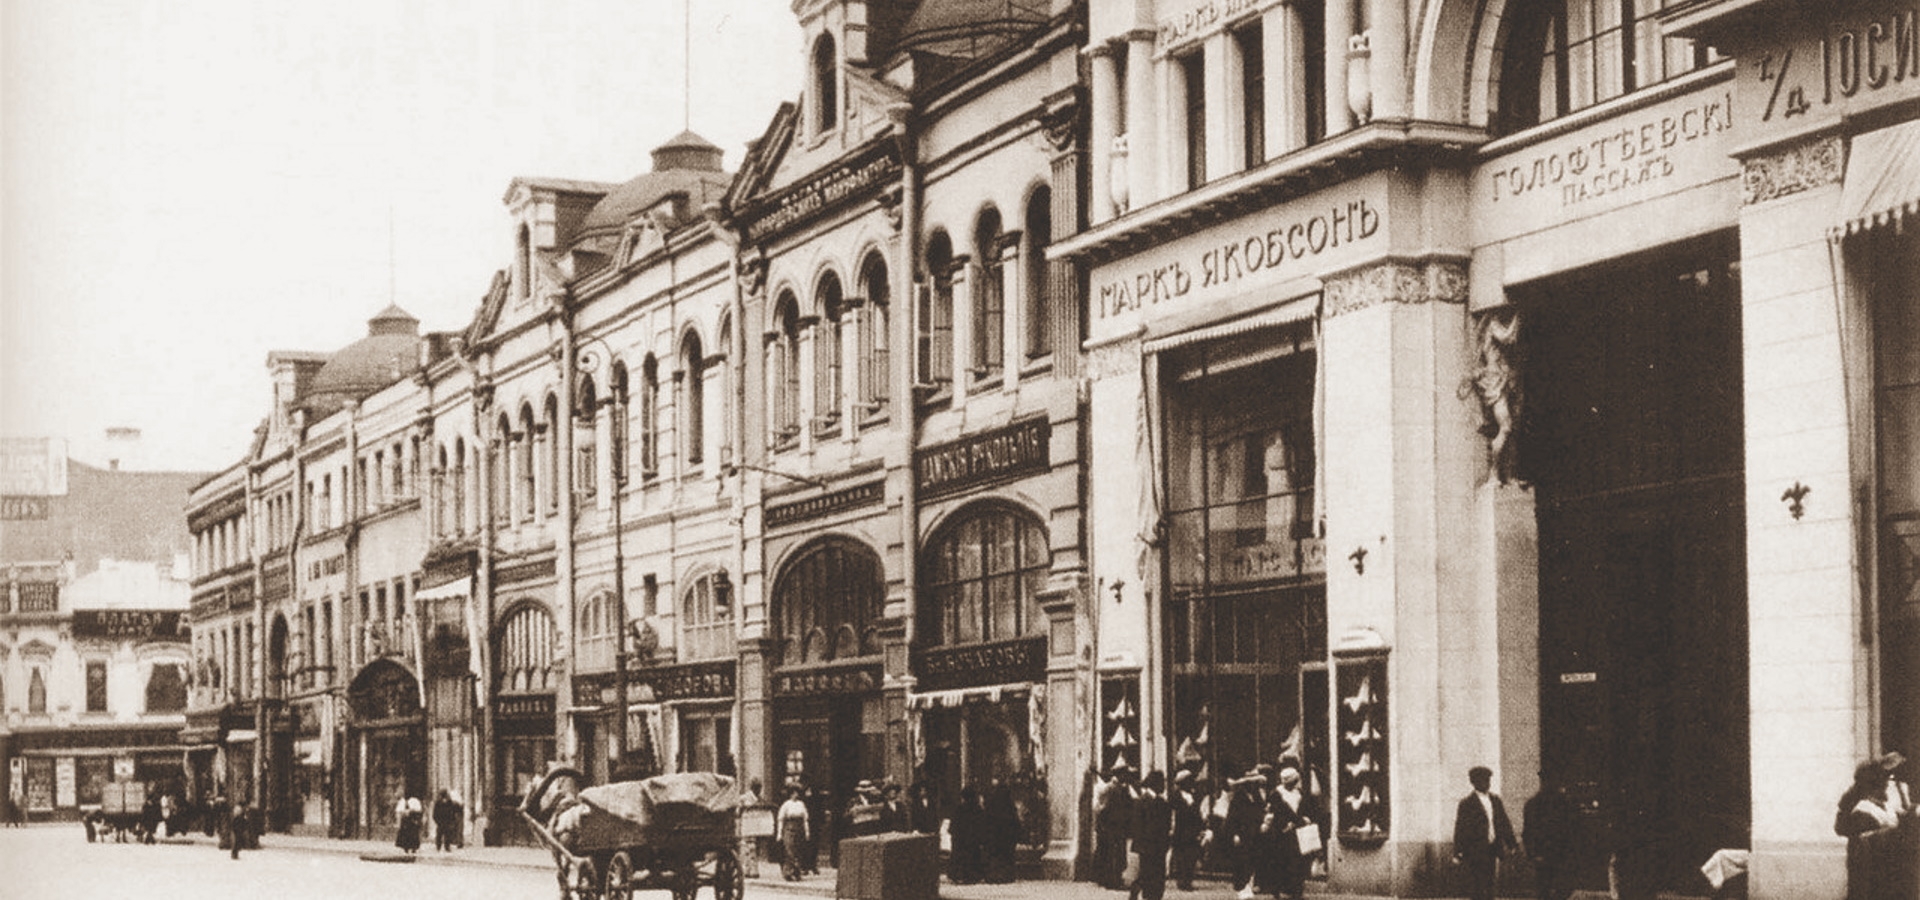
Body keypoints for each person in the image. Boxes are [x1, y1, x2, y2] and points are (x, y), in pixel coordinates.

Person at [1836, 754, 1911, 900]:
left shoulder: (1886, 806)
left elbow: (1902, 817)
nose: (1888, 784)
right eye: (1884, 781)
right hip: (1871, 876)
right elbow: (1867, 844)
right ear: (1872, 785)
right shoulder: (1863, 810)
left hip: (1889, 872)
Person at [1452, 766, 1518, 900]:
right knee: (1477, 886)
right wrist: (1458, 851)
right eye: (1482, 780)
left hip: (1492, 849)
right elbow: (1460, 829)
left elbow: (1504, 823)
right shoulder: (1467, 804)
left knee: (1489, 884)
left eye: (1488, 780)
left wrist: (1512, 844)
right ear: (1474, 782)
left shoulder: (1495, 800)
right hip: (1475, 850)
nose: (1486, 783)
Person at [1264, 766, 1317, 900]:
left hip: (1297, 831)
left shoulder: (1299, 793)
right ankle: (1278, 889)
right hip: (1281, 832)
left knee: (1298, 860)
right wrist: (1287, 824)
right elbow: (1275, 812)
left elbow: (1305, 809)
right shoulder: (1276, 794)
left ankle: (1296, 889)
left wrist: (1305, 818)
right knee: (1281, 860)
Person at [1523, 773, 1579, 900]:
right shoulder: (1533, 804)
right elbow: (1528, 832)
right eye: (1547, 781)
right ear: (1542, 782)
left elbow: (1572, 830)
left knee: (1564, 888)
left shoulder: (1565, 803)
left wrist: (1572, 853)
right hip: (1542, 856)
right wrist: (1532, 854)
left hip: (1562, 855)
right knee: (1544, 890)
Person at [1093, 764, 1138, 890]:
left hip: (1118, 827)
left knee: (1117, 854)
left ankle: (1114, 878)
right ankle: (1112, 880)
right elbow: (1102, 808)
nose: (1127, 777)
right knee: (1112, 854)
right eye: (1125, 774)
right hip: (1111, 828)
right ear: (1119, 775)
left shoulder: (1120, 788)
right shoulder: (1111, 788)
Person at [1130, 770, 1173, 900]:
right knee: (1148, 876)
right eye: (1162, 782)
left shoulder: (1163, 803)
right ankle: (1139, 894)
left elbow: (1166, 825)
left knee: (1158, 878)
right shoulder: (1142, 802)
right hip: (1147, 848)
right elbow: (1137, 826)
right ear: (1155, 784)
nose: (1164, 785)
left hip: (1159, 848)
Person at [1168, 770, 1204, 892]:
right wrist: (1172, 829)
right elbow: (1172, 815)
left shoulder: (1193, 796)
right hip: (1180, 831)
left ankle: (1188, 879)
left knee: (1191, 856)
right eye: (1188, 781)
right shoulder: (1175, 796)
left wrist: (1200, 828)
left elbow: (1197, 813)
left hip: (1192, 831)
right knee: (1181, 856)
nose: (1191, 784)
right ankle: (1182, 880)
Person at [984, 779, 1021, 883]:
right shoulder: (1010, 807)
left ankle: (993, 875)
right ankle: (1007, 876)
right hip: (1007, 837)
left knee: (995, 856)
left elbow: (987, 820)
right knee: (1007, 856)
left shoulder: (992, 805)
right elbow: (1015, 823)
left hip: (995, 836)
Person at [775, 787, 811, 881]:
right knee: (789, 850)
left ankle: (797, 872)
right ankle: (788, 872)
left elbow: (805, 819)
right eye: (794, 793)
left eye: (797, 793)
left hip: (799, 828)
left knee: (798, 850)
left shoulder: (801, 804)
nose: (796, 795)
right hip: (789, 828)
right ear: (791, 794)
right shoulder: (786, 804)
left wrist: (807, 831)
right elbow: (780, 819)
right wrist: (779, 833)